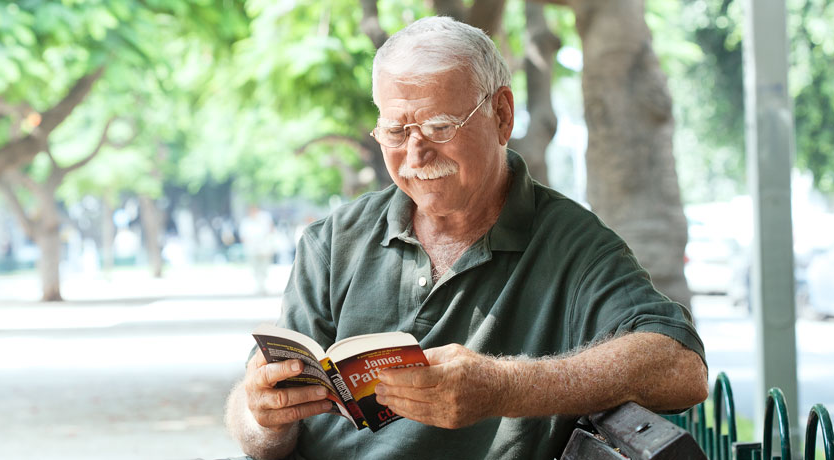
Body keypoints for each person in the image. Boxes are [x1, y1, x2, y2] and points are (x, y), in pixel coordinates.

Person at [225, 16, 708, 460]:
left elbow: (680, 367)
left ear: (502, 115)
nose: (416, 154)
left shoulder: (570, 243)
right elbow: (252, 424)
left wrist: (503, 387)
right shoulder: (333, 240)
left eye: (439, 126)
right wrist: (262, 417)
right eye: (396, 131)